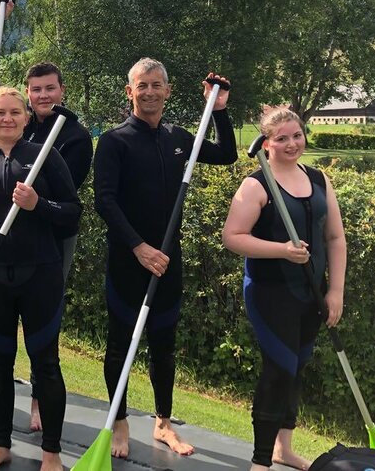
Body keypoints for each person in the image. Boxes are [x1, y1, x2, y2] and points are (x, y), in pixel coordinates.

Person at [92, 58, 236, 458]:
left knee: (164, 345)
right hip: (129, 260)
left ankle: (163, 424)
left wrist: (219, 110)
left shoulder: (178, 136)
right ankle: (119, 423)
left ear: (168, 91)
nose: (150, 91)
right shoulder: (115, 140)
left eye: (157, 85)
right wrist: (138, 247)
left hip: (169, 260)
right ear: (130, 92)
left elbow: (226, 154)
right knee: (121, 345)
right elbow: (104, 200)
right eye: (143, 85)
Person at [0, 0, 94, 427]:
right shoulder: (11, 116)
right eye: (35, 90)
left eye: (49, 89)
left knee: (44, 329)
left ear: (60, 92)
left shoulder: (72, 136)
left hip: (50, 237)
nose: (41, 96)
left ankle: (42, 400)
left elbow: (67, 200)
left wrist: (36, 202)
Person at [0, 87, 81, 471]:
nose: (7, 119)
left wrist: (37, 204)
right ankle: (1, 444)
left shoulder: (46, 158)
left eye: (15, 112)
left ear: (26, 118)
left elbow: (73, 212)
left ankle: (51, 454)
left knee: (46, 365)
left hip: (40, 276)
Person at [221, 106, 346, 471]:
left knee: (298, 367)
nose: (292, 143)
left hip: (312, 292)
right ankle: (261, 462)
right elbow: (232, 237)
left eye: (297, 135)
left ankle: (283, 449)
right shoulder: (256, 184)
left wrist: (335, 291)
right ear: (266, 144)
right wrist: (282, 250)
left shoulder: (320, 179)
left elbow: (335, 238)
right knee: (278, 370)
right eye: (281, 138)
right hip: (270, 292)